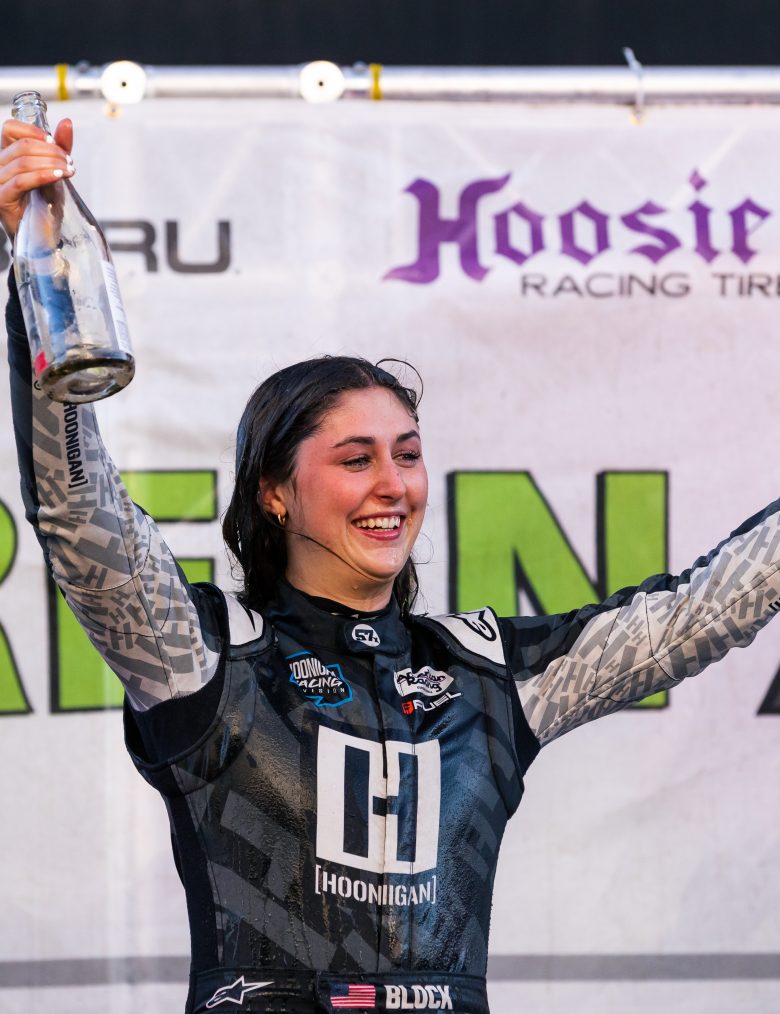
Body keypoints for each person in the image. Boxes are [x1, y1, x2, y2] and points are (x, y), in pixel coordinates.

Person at [2, 117, 780, 1014]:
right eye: (356, 458)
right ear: (275, 492)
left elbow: (703, 612)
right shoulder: (207, 655)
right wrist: (41, 278)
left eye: (408, 455)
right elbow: (79, 516)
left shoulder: (487, 673)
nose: (393, 485)